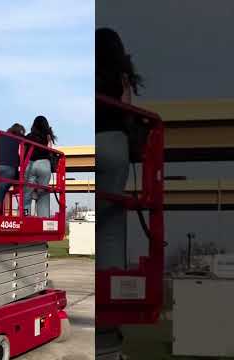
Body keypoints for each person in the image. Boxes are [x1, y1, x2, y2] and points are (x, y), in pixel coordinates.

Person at [95, 27, 143, 360]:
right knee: (111, 226)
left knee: (92, 217)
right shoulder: (122, 76)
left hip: (90, 140)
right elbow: (129, 112)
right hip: (114, 142)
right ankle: (106, 319)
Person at [23, 115, 56, 217]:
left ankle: (25, 218)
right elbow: (51, 150)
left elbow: (23, 153)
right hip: (44, 165)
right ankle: (44, 220)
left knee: (27, 195)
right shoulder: (48, 137)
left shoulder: (28, 136)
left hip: (30, 165)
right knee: (43, 195)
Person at [0, 124, 26, 213]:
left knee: (0, 189)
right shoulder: (19, 139)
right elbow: (22, 156)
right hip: (10, 168)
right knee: (2, 189)